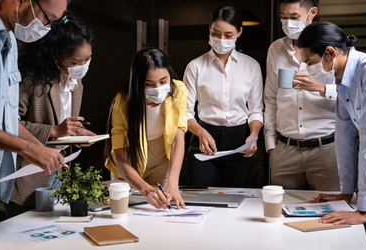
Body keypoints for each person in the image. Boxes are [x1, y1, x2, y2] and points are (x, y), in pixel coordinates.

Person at [0, 0, 67, 230]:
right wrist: (29, 149)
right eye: (47, 19)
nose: (46, 28)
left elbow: (6, 118)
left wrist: (40, 147)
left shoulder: (10, 41)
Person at [3, 12, 96, 218]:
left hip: (60, 169)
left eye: (87, 59)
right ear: (56, 58)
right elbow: (7, 122)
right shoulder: (31, 80)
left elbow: (63, 123)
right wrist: (53, 131)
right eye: (75, 62)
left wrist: (77, 133)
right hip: (28, 174)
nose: (83, 67)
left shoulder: (76, 83)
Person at [298, 21, 366, 224]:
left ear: (330, 52)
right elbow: (344, 138)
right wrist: (346, 193)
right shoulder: (342, 80)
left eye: (309, 62)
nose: (307, 69)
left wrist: (363, 210)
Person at [183, 5, 263, 188]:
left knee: (235, 200)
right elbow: (185, 112)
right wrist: (201, 133)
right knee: (201, 198)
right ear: (209, 29)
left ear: (239, 32)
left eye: (228, 35)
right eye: (216, 33)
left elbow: (256, 110)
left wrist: (254, 135)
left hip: (239, 141)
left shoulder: (251, 66)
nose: (221, 40)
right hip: (204, 137)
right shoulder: (195, 66)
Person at [264, 0, 340, 191]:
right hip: (284, 150)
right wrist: (271, 145)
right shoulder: (275, 49)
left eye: (294, 17)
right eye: (283, 17)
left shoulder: (331, 49)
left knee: (329, 211)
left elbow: (350, 96)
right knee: (281, 212)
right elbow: (271, 99)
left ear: (312, 12)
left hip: (327, 150)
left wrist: (320, 88)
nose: (288, 23)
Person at [105, 48, 187, 209]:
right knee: (125, 213)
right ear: (138, 83)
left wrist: (173, 182)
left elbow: (178, 140)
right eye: (149, 84)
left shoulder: (178, 91)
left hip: (161, 161)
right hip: (130, 165)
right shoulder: (123, 102)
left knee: (162, 208)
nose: (158, 88)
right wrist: (145, 189)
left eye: (163, 81)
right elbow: (121, 157)